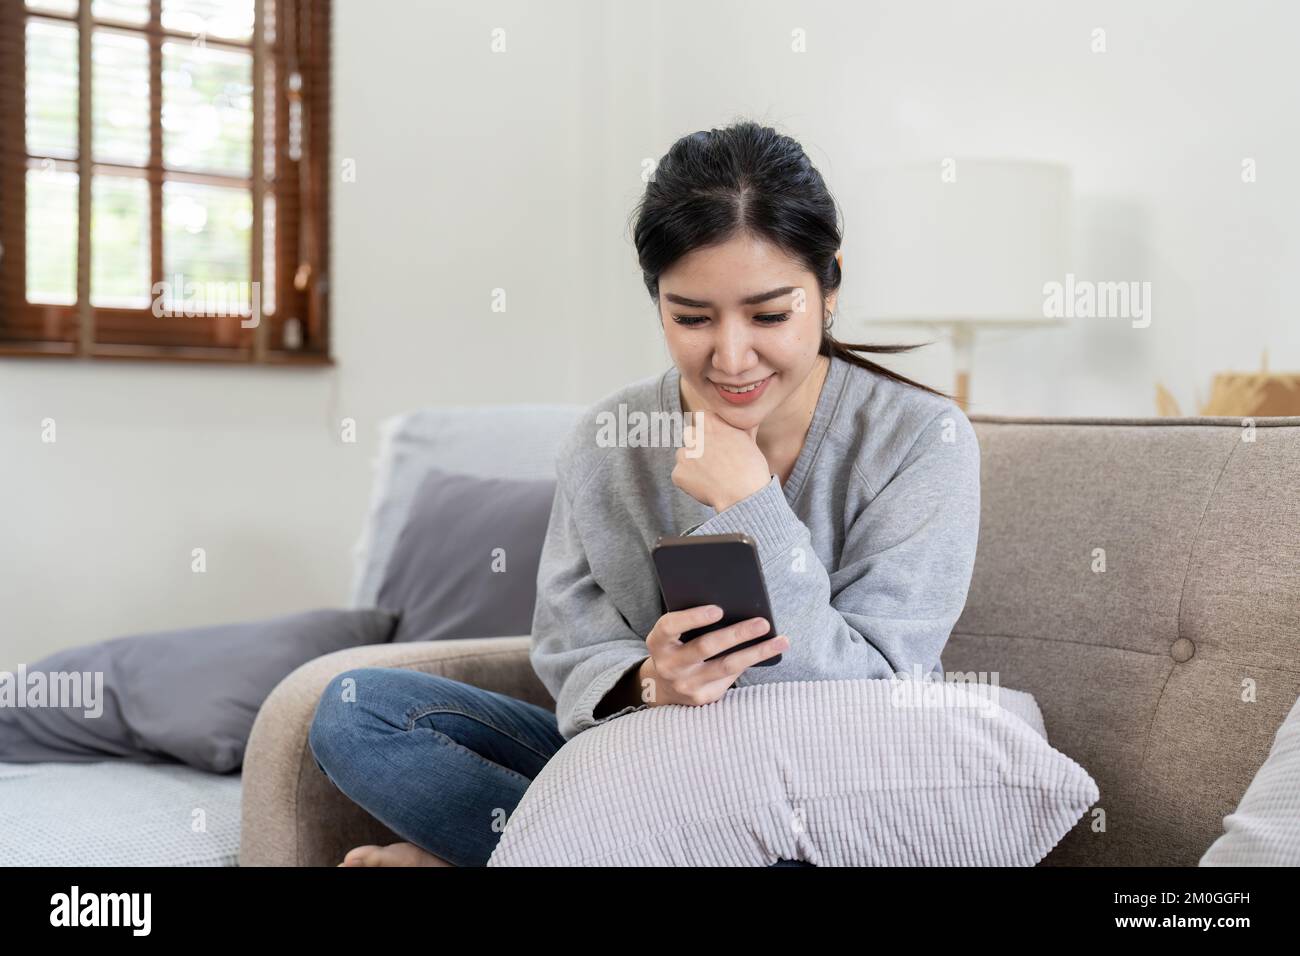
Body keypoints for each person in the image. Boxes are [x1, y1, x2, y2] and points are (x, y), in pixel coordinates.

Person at [308, 119, 981, 867]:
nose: (731, 356)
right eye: (691, 317)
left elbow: (880, 690)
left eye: (769, 314)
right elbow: (568, 647)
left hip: (816, 799)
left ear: (828, 288)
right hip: (635, 775)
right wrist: (648, 680)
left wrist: (751, 505)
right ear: (657, 300)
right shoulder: (609, 439)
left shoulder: (921, 439)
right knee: (356, 712)